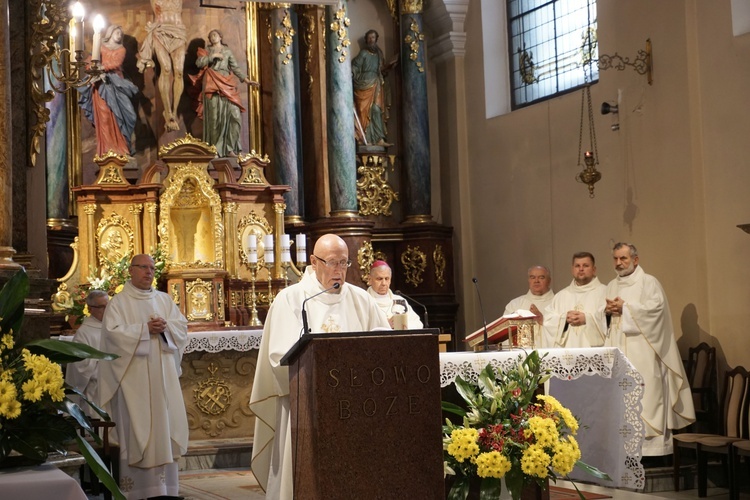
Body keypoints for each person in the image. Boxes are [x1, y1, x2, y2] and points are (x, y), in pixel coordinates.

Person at [249, 234, 390, 498]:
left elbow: (383, 345)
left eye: (344, 263)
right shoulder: (290, 300)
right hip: (305, 410)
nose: (339, 270)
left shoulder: (361, 300)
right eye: (332, 262)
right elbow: (279, 358)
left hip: (355, 408)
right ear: (314, 262)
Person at [98, 254, 189, 499]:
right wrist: (143, 330)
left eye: (151, 268)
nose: (149, 272)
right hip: (132, 380)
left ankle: (166, 490)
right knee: (137, 428)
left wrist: (166, 327)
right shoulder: (119, 303)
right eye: (143, 267)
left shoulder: (164, 299)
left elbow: (181, 328)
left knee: (163, 424)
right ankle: (135, 491)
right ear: (131, 270)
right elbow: (111, 336)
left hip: (162, 378)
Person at [605, 242, 695, 456]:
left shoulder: (649, 282)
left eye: (624, 258)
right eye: (616, 259)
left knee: (648, 398)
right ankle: (624, 450)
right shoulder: (611, 285)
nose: (619, 263)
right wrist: (607, 311)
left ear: (635, 260)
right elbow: (605, 317)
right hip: (619, 351)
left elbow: (656, 312)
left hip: (644, 352)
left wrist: (625, 308)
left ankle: (652, 451)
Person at [191, 29, 258, 157]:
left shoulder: (227, 51)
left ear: (220, 37)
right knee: (214, 117)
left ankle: (230, 148)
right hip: (212, 83)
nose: (212, 38)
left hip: (227, 83)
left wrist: (246, 79)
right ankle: (214, 149)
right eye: (210, 36)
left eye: (214, 35)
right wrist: (212, 57)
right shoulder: (206, 50)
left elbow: (235, 67)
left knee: (235, 116)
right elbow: (199, 63)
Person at [78, 25, 138, 157]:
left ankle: (123, 148)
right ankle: (107, 152)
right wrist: (91, 67)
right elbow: (89, 63)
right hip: (100, 86)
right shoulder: (99, 48)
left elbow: (116, 63)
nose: (119, 35)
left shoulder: (121, 49)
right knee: (104, 116)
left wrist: (101, 67)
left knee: (128, 114)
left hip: (116, 83)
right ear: (110, 33)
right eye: (117, 32)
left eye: (120, 34)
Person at [137, 0, 187, 132]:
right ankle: (168, 111)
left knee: (179, 71)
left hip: (179, 32)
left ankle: (174, 111)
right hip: (160, 31)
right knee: (166, 68)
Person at [543, 252, 607, 348]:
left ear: (594, 270)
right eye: (577, 266)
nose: (581, 269)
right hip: (567, 354)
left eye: (585, 266)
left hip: (595, 353)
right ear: (572, 270)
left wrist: (587, 319)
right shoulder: (561, 296)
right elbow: (548, 321)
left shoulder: (605, 292)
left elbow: (611, 322)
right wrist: (564, 319)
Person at [65, 289, 109, 418]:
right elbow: (80, 366)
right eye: (102, 307)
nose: (107, 310)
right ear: (90, 309)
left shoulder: (114, 326)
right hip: (96, 385)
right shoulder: (84, 333)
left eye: (108, 305)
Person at [351, 29, 395, 146]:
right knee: (363, 112)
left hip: (376, 83)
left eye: (373, 37)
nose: (371, 40)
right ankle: (364, 139)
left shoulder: (379, 54)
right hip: (364, 84)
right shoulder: (363, 53)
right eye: (369, 37)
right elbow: (355, 66)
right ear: (366, 40)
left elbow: (381, 69)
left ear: (376, 39)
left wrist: (388, 67)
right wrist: (352, 73)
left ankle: (379, 139)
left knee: (376, 109)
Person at [366, 260, 423, 329]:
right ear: (369, 279)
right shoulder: (364, 301)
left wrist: (403, 325)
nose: (384, 283)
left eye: (387, 279)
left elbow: (418, 324)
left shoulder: (399, 301)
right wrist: (386, 325)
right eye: (379, 279)